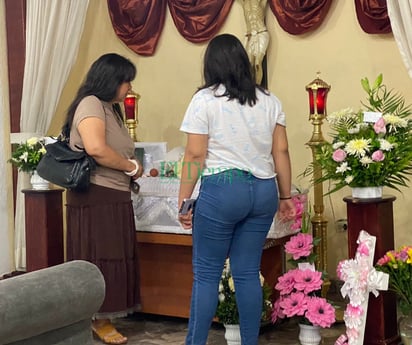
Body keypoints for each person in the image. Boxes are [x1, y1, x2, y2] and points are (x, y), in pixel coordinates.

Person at [177, 34, 296, 345]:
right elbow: (281, 152)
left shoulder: (204, 100)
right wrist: (286, 196)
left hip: (223, 189)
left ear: (211, 65)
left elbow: (194, 154)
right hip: (263, 190)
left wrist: (185, 198)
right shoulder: (269, 100)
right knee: (246, 273)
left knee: (207, 275)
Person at [62, 53, 143, 345]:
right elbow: (96, 149)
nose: (130, 88)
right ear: (111, 80)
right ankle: (97, 318)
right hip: (96, 195)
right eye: (126, 81)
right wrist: (131, 167)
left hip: (114, 193)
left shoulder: (111, 109)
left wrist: (133, 167)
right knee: (99, 257)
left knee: (115, 255)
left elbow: (117, 150)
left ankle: (105, 315)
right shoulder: (91, 105)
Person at [239, 0, 270, 85]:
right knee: (249, 64)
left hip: (261, 33)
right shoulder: (244, 2)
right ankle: (251, 87)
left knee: (257, 63)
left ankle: (258, 87)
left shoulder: (261, 1)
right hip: (250, 36)